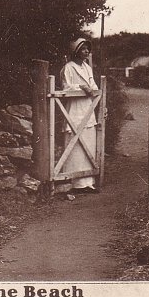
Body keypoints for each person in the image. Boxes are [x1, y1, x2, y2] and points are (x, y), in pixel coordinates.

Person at [60, 38, 100, 193]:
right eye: (83, 49)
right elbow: (66, 87)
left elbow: (94, 85)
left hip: (88, 108)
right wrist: (81, 87)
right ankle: (75, 183)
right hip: (75, 108)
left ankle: (88, 182)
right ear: (76, 51)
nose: (87, 52)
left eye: (87, 49)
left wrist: (92, 89)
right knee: (75, 143)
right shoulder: (68, 68)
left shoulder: (87, 68)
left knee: (88, 142)